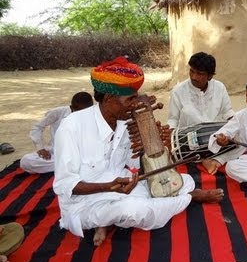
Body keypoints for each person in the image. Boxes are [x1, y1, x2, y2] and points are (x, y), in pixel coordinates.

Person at [53, 56, 223, 246]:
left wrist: (158, 145)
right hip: (84, 202)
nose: (134, 104)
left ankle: (108, 221)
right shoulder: (72, 127)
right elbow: (64, 185)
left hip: (122, 188)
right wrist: (108, 186)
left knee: (185, 181)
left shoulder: (124, 121)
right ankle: (190, 199)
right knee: (135, 211)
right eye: (130, 99)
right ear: (109, 99)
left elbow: (136, 164)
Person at [167, 52, 235, 173]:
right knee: (189, 112)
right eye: (192, 71)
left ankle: (213, 159)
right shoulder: (178, 91)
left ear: (210, 76)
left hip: (217, 139)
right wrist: (172, 142)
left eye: (200, 74)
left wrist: (230, 133)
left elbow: (228, 112)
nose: (194, 77)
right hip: (190, 142)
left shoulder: (219, 87)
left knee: (242, 138)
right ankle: (207, 159)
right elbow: (173, 120)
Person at [20, 92, 94, 174]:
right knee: (26, 161)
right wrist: (40, 148)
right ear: (72, 107)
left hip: (81, 155)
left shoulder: (94, 115)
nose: (84, 114)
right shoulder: (58, 112)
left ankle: (68, 167)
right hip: (57, 152)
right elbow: (37, 127)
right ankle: (69, 167)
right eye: (80, 111)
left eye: (87, 111)